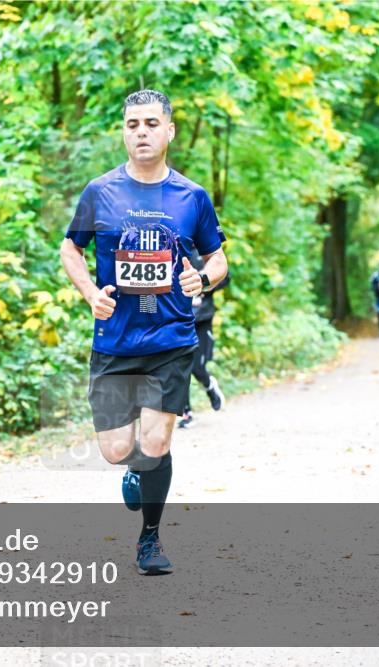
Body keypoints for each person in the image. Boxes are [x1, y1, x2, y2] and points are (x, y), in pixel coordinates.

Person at [60, 89, 228, 575]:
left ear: (169, 130)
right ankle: (134, 470)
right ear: (124, 131)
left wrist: (204, 276)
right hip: (115, 340)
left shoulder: (191, 197)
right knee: (117, 452)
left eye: (152, 124)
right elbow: (71, 249)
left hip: (171, 339)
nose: (142, 132)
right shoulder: (100, 192)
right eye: (133, 124)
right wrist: (91, 292)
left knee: (156, 446)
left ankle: (149, 541)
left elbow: (217, 257)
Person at [177, 248, 229, 429]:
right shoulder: (170, 246)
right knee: (180, 365)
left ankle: (209, 386)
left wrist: (202, 286)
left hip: (202, 317)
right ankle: (186, 413)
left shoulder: (205, 248)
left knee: (196, 366)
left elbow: (224, 278)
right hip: (178, 318)